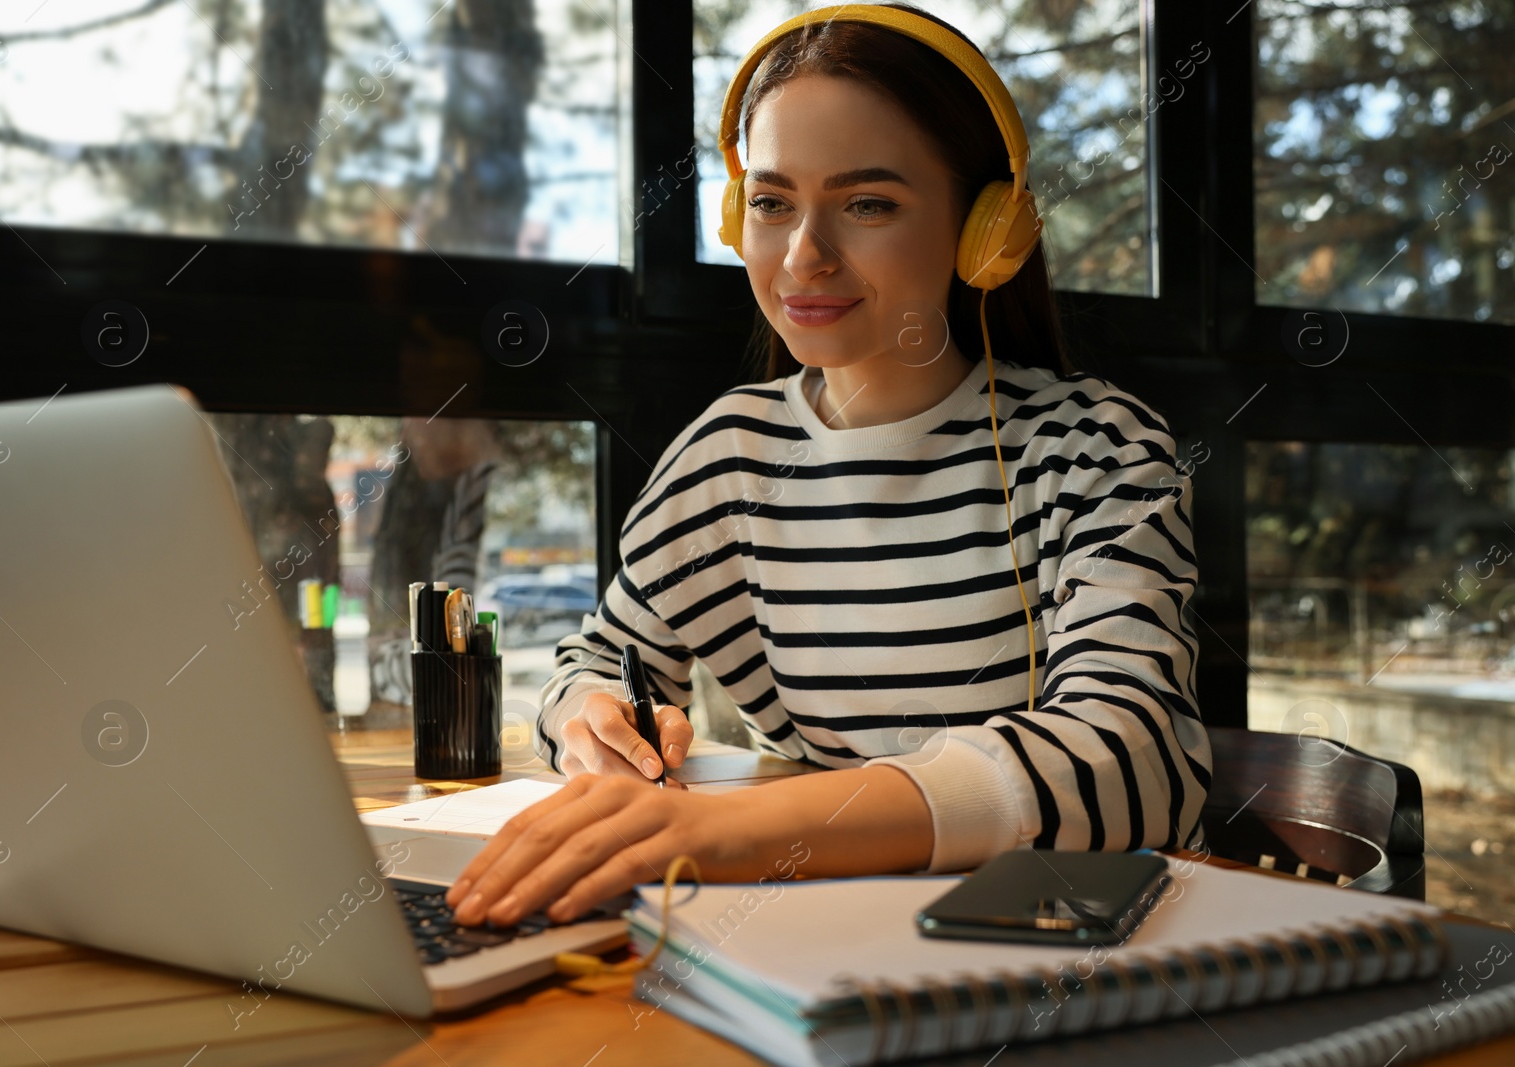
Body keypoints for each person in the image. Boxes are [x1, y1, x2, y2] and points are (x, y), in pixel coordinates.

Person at [446, 2, 1210, 928]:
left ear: (987, 229)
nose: (804, 256)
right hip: (824, 929)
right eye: (770, 202)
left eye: (868, 204)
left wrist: (749, 831)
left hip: (1050, 952)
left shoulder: (1096, 448)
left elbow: (1134, 757)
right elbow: (597, 658)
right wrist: (591, 721)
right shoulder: (731, 456)